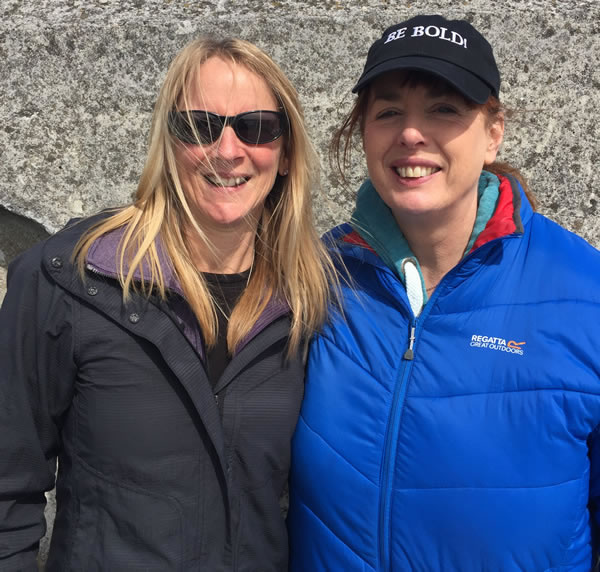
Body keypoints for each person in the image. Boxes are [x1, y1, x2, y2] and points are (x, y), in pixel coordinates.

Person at [0, 37, 337, 571]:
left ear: (287, 151)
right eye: (200, 125)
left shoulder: (313, 299)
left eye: (256, 127)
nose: (228, 150)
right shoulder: (72, 280)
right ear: (167, 139)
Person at [289, 14, 600, 571]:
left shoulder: (585, 293)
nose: (412, 133)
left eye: (444, 109)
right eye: (388, 112)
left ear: (493, 132)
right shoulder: (317, 276)